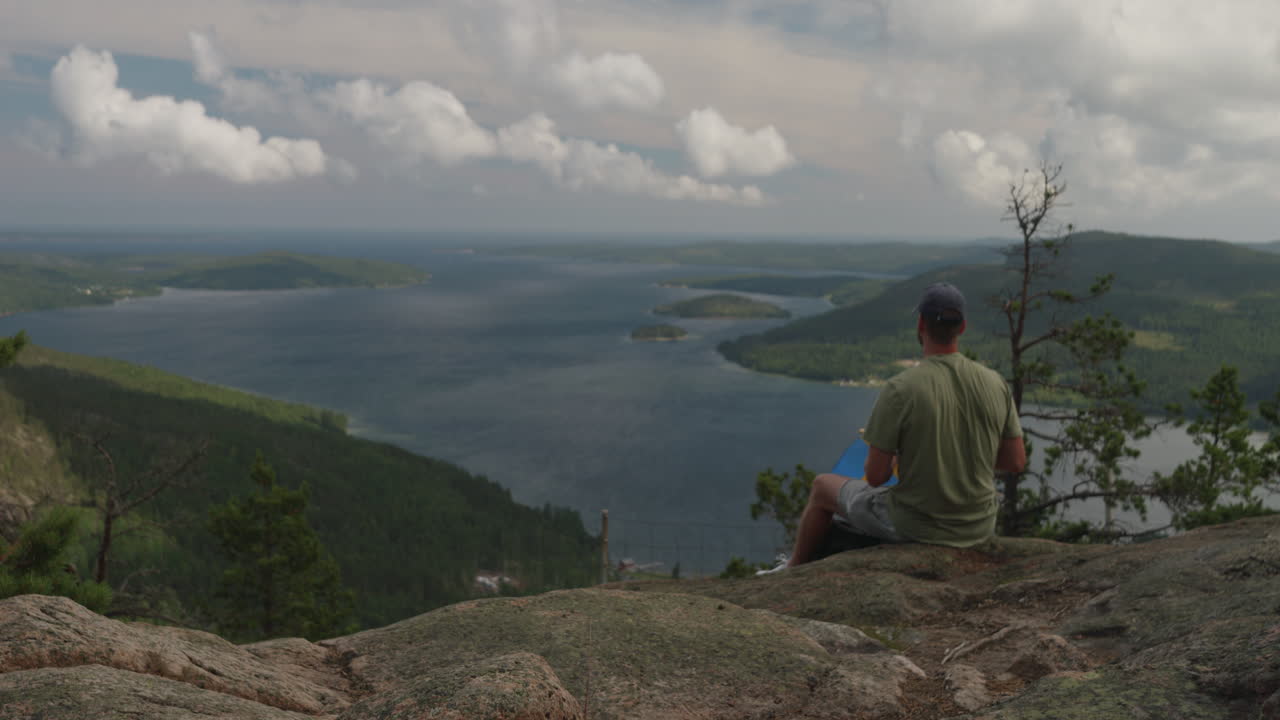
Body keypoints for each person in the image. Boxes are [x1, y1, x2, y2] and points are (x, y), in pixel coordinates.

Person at [780, 282, 1026, 569]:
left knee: (822, 487)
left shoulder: (901, 388)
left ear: (921, 324)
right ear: (962, 327)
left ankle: (793, 568)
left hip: (918, 526)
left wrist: (906, 456)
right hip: (978, 527)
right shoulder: (994, 382)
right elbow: (1015, 461)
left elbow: (875, 476)